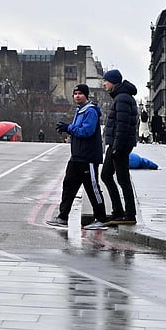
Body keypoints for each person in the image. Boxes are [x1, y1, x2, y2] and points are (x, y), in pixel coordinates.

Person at [47, 84, 109, 230]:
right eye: (75, 93)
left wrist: (68, 128)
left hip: (87, 158)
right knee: (68, 186)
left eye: (80, 93)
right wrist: (69, 129)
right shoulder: (79, 111)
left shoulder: (91, 111)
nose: (77, 96)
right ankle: (62, 217)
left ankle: (101, 218)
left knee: (92, 188)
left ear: (86, 95)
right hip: (76, 156)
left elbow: (86, 131)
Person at [99, 69, 139, 225]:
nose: (104, 84)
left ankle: (129, 214)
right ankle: (118, 212)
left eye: (106, 81)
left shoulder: (122, 98)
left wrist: (116, 147)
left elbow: (122, 125)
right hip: (118, 143)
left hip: (120, 144)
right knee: (107, 175)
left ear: (113, 82)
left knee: (122, 179)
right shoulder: (121, 97)